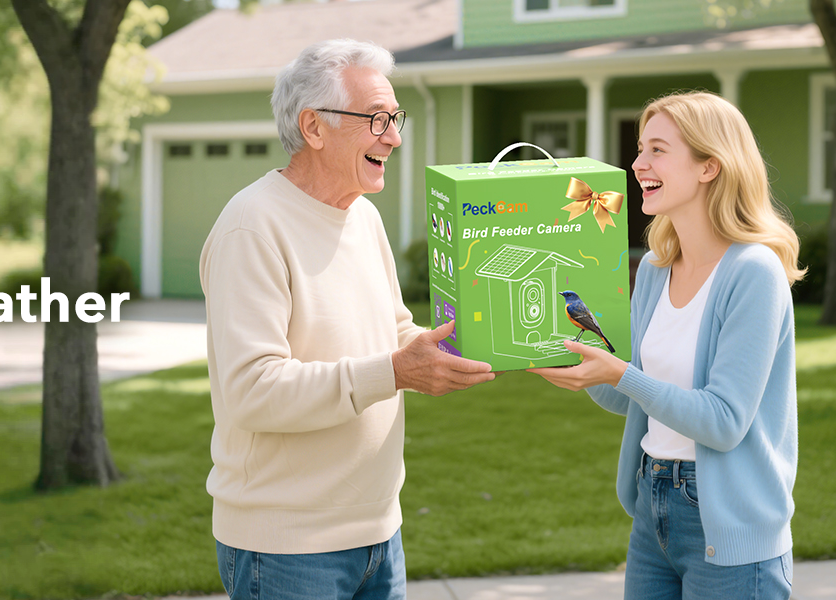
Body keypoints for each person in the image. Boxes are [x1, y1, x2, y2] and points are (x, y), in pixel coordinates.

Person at [200, 39, 496, 600]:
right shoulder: (252, 226)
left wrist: (476, 343)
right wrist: (396, 371)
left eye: (395, 118)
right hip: (287, 549)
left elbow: (394, 330)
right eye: (377, 119)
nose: (395, 136)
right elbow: (251, 390)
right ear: (314, 127)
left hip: (381, 535)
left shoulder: (363, 216)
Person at [528, 91, 803, 600]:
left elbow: (722, 422)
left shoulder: (753, 273)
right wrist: (560, 355)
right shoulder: (655, 270)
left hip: (730, 527)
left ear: (709, 167)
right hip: (653, 510)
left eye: (657, 150)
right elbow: (623, 393)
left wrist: (619, 374)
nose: (636, 164)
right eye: (639, 149)